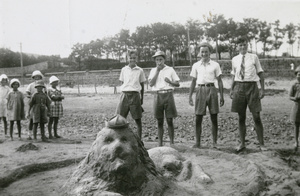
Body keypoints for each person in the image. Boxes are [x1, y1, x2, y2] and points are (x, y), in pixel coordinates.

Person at [230, 36, 267, 152]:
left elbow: (260, 74)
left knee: (256, 116)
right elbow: (233, 76)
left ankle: (262, 144)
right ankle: (242, 143)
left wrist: (262, 89)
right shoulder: (234, 59)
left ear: (247, 45)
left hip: (252, 87)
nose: (242, 47)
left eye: (244, 44)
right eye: (240, 45)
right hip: (239, 87)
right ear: (237, 47)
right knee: (241, 117)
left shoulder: (254, 57)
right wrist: (231, 89)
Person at [189, 42, 224, 149]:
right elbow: (193, 81)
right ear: (199, 53)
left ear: (210, 53)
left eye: (206, 52)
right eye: (202, 52)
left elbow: (220, 81)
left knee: (214, 117)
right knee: (198, 117)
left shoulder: (215, 65)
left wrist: (222, 96)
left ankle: (214, 142)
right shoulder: (196, 65)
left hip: (212, 89)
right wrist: (190, 96)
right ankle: (198, 142)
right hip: (200, 90)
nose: (204, 54)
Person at [148, 51, 180, 146]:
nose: (159, 62)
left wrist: (170, 82)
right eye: (157, 60)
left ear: (164, 59)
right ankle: (160, 143)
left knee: (170, 120)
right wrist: (157, 71)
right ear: (155, 61)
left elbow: (177, 84)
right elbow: (151, 84)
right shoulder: (153, 70)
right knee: (159, 120)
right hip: (158, 95)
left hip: (168, 94)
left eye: (161, 59)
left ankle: (172, 142)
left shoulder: (170, 69)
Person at [116, 51, 146, 139]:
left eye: (134, 58)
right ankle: (119, 138)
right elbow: (122, 82)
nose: (132, 59)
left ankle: (140, 141)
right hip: (124, 95)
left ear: (136, 59)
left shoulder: (140, 70)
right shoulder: (124, 69)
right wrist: (122, 94)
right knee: (120, 119)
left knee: (138, 119)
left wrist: (142, 98)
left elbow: (142, 85)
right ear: (128, 58)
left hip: (135, 95)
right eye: (131, 58)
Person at [25, 70, 47, 140]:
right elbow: (27, 93)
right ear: (33, 77)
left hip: (41, 105)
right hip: (33, 104)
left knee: (42, 120)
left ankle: (42, 134)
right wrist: (31, 97)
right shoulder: (31, 85)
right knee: (32, 120)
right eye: (35, 77)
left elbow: (45, 93)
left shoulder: (43, 84)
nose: (37, 78)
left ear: (41, 77)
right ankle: (30, 134)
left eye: (38, 77)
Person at [289, 66, 300, 150]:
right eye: (298, 74)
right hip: (297, 106)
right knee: (296, 124)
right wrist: (295, 98)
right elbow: (290, 96)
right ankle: (296, 141)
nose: (299, 76)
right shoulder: (294, 84)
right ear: (296, 75)